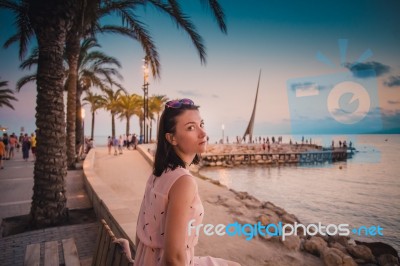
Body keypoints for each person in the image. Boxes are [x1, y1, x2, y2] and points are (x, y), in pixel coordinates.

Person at [116, 98, 240, 265]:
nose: (203, 133)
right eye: (191, 127)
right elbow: (173, 258)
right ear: (172, 138)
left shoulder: (157, 174)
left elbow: (140, 235)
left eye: (201, 124)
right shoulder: (183, 182)